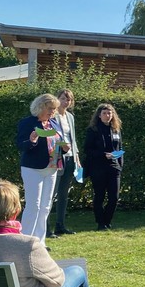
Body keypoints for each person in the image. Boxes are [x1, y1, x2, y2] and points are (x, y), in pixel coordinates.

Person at [16, 94, 66, 244]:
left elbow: (59, 142)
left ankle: (40, 242)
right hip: (33, 168)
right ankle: (26, 241)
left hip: (51, 168)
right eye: (49, 108)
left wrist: (64, 148)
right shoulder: (27, 123)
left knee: (45, 206)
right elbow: (20, 145)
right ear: (40, 107)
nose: (52, 112)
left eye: (54, 109)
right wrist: (31, 140)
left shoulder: (54, 123)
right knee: (34, 205)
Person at [83, 103, 123, 231]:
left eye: (110, 113)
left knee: (114, 197)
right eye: (105, 113)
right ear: (99, 115)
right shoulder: (93, 130)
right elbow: (88, 150)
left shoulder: (116, 130)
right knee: (99, 196)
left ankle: (107, 220)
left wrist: (120, 165)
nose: (108, 115)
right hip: (98, 167)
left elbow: (120, 148)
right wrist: (102, 155)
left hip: (114, 167)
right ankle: (101, 223)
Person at [48, 89, 81, 237]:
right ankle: (47, 229)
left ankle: (60, 225)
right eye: (62, 98)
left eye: (68, 99)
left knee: (63, 194)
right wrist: (61, 145)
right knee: (51, 194)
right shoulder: (51, 116)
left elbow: (73, 139)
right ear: (57, 99)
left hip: (70, 158)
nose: (65, 102)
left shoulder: (70, 117)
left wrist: (77, 159)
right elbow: (51, 136)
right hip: (56, 158)